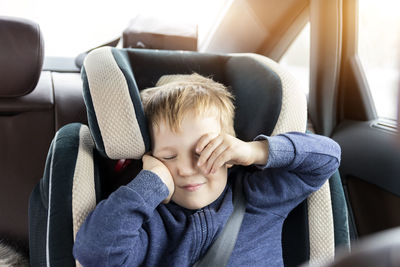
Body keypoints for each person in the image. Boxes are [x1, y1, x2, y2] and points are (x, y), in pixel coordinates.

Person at [73, 73, 341, 266]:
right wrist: (151, 183)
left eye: (204, 150)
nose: (188, 169)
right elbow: (94, 254)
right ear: (150, 159)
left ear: (229, 151)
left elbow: (328, 157)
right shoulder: (149, 225)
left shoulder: (259, 198)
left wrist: (253, 151)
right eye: (168, 156)